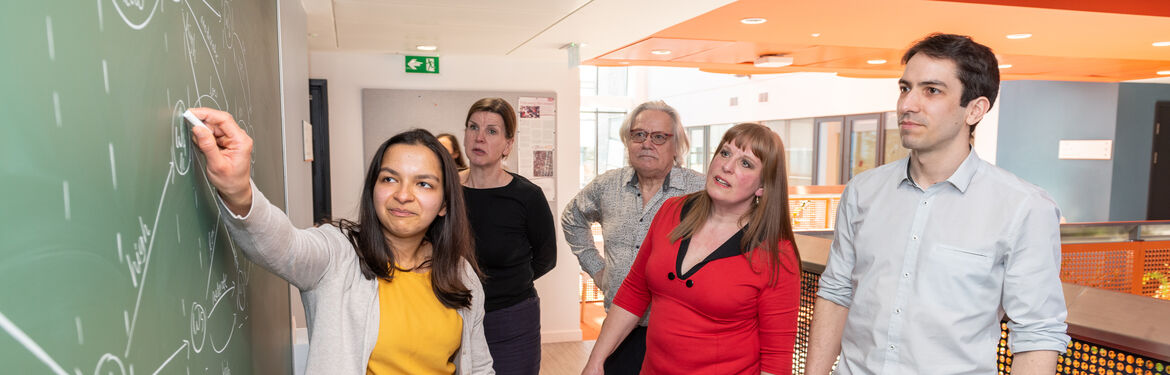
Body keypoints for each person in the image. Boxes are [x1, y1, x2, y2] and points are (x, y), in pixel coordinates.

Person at [806, 33, 1070, 374]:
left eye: (931, 90)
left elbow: (1038, 334)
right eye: (905, 88)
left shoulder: (1024, 208)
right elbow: (837, 293)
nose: (907, 105)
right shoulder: (862, 191)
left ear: (975, 109)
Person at [187, 107, 494, 374]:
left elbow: (478, 366)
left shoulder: (460, 273)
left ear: (444, 205)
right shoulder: (338, 255)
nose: (403, 194)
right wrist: (239, 190)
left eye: (424, 184)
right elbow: (283, 247)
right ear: (372, 189)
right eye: (389, 178)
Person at [582, 123, 801, 375]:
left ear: (763, 187)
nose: (727, 166)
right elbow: (633, 293)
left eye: (746, 163)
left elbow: (776, 359)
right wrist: (596, 361)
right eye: (725, 153)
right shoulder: (670, 211)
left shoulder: (776, 255)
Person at [561, 100, 704, 373]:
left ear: (677, 146)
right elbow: (572, 218)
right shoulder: (607, 185)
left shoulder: (699, 191)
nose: (646, 143)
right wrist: (597, 268)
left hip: (677, 334)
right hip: (618, 332)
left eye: (659, 137)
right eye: (638, 135)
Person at [459, 97, 556, 375]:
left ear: (508, 144)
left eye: (492, 131)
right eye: (473, 127)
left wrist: (506, 283)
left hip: (510, 319)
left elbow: (546, 259)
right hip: (453, 316)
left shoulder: (527, 196)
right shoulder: (446, 191)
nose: (479, 137)